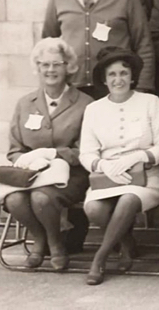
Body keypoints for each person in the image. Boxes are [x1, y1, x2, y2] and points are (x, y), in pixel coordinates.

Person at [79, 47, 159, 285]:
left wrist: (138, 157)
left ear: (132, 76)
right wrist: (102, 165)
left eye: (123, 73)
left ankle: (100, 257)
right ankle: (126, 243)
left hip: (147, 175)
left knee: (129, 199)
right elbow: (86, 153)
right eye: (112, 74)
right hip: (108, 175)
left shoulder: (150, 102)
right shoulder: (94, 109)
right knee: (94, 209)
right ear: (104, 79)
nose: (118, 79)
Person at [4, 38, 93, 270]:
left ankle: (55, 244)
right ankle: (39, 239)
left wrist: (54, 153)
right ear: (37, 67)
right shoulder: (25, 103)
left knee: (42, 198)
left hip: (70, 175)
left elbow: (86, 150)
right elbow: (14, 148)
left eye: (57, 64)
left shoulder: (85, 104)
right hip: (29, 174)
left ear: (68, 67)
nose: (50, 70)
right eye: (45, 64)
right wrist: (27, 160)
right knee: (14, 199)